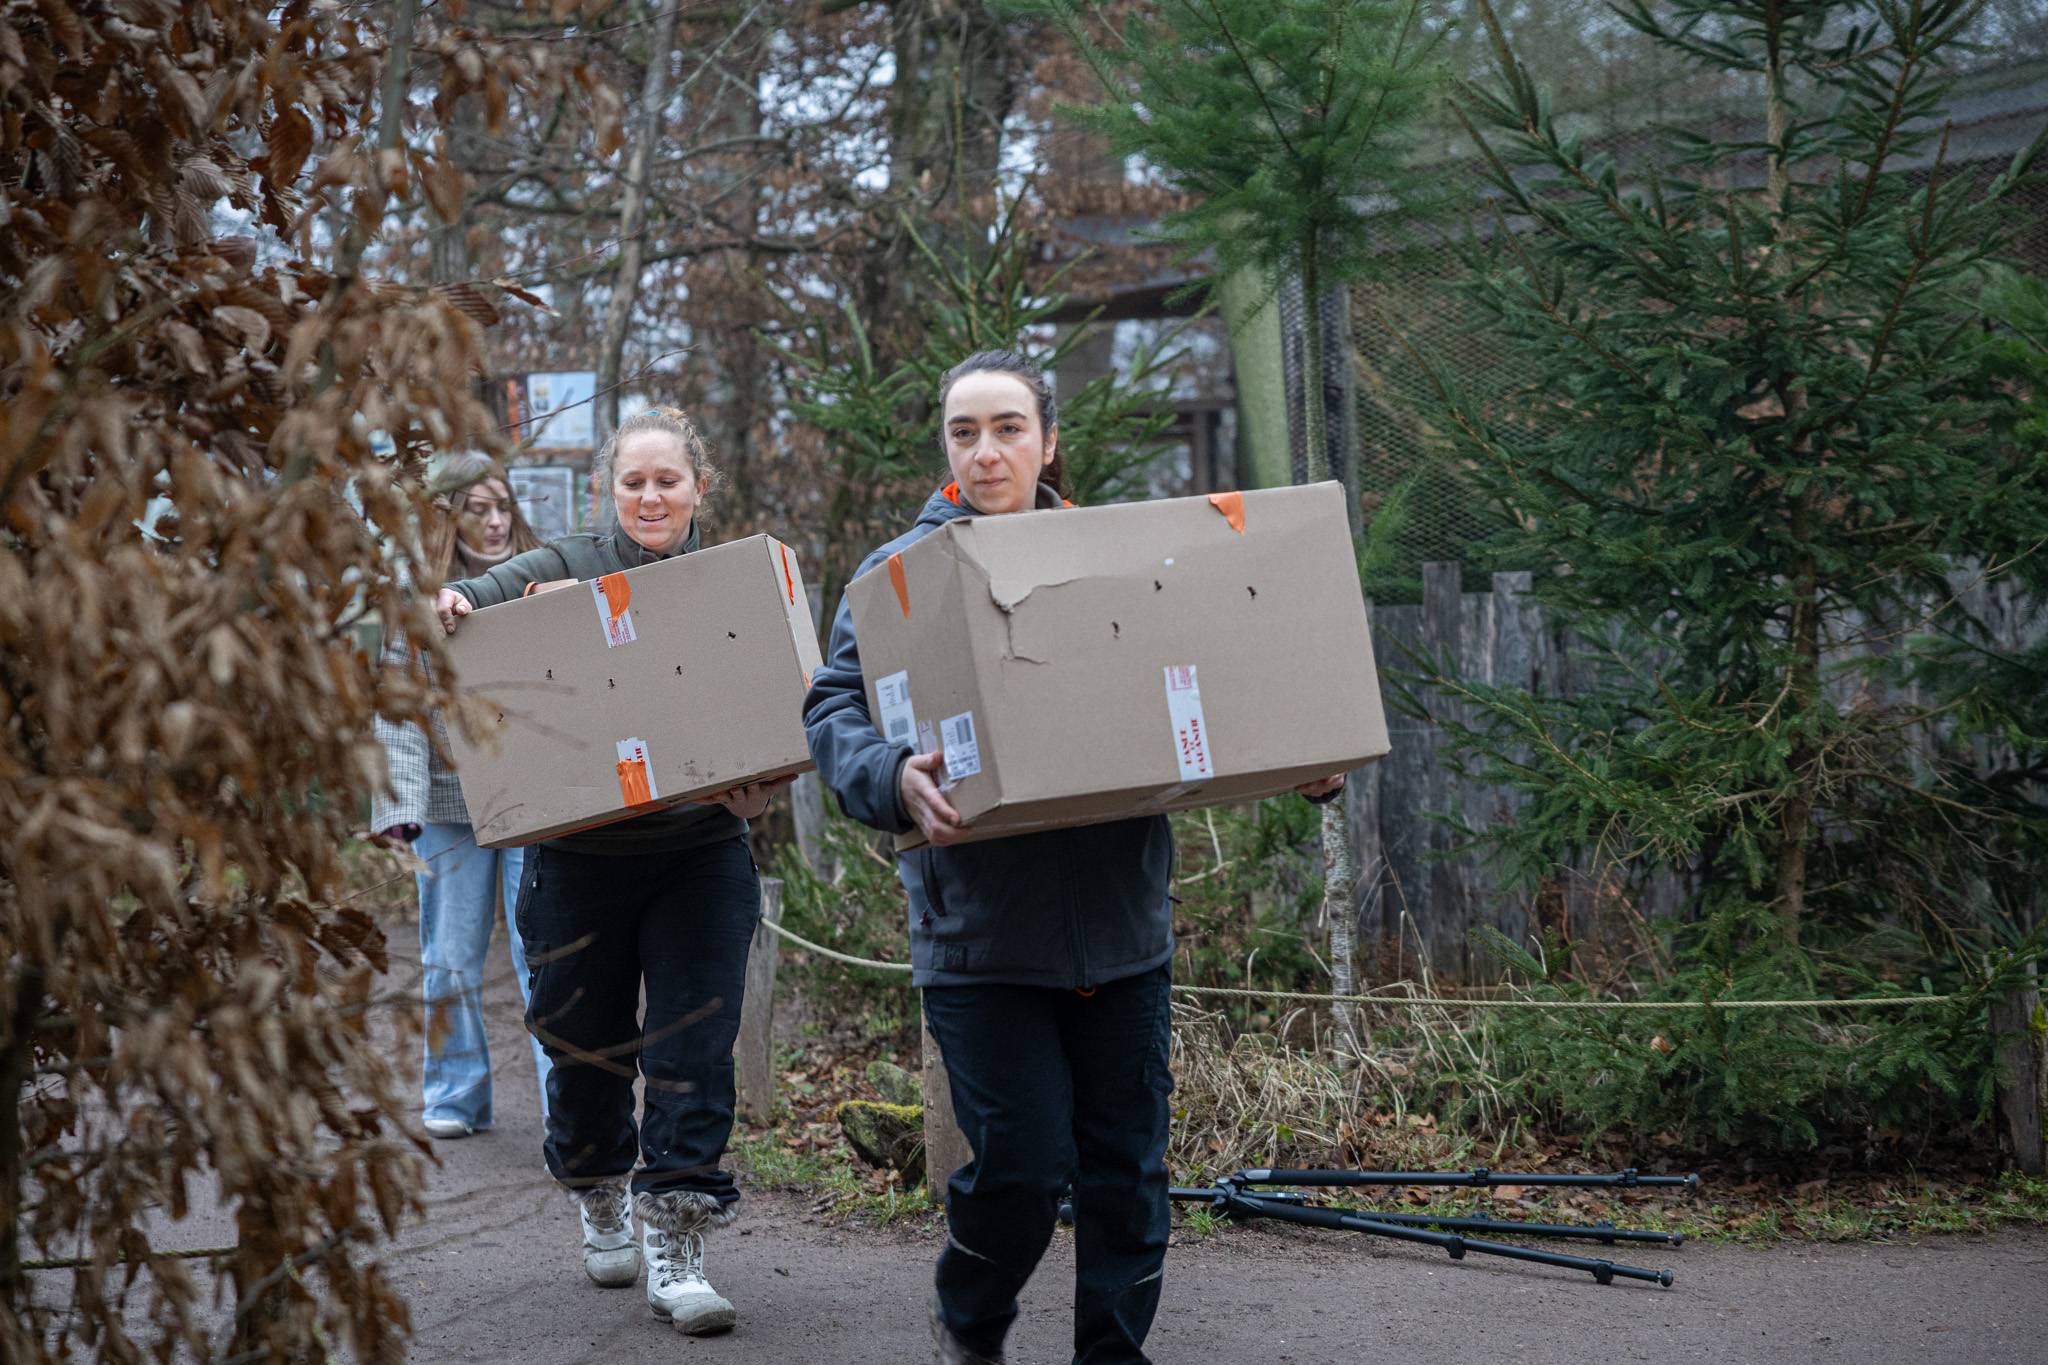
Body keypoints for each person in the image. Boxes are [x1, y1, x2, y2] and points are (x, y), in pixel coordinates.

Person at [803, 351, 1346, 1364]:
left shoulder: (1117, 554)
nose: (984, 450)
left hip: (1120, 924)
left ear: (1046, 442)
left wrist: (1300, 753)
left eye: (1007, 427)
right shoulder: (896, 582)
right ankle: (968, 1314)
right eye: (963, 431)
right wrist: (889, 777)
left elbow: (1209, 673)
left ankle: (1111, 1353)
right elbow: (834, 709)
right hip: (978, 937)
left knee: (1125, 1168)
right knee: (1017, 1160)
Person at [435, 407, 787, 1337]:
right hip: (578, 860)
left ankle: (677, 1233)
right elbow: (480, 596)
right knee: (582, 1048)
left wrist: (760, 789)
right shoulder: (565, 566)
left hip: (700, 854)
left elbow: (777, 707)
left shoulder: (730, 584)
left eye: (668, 480)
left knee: (693, 1049)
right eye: (633, 481)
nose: (650, 496)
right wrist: (458, 605)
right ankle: (597, 1183)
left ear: (699, 488)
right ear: (609, 490)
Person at [373, 452, 552, 1141]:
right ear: (447, 517)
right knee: (449, 955)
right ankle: (455, 1092)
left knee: (546, 952)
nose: (498, 519)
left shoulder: (542, 583)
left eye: (503, 504)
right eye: (478, 508)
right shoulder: (416, 601)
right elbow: (396, 707)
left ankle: (563, 1103)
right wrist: (399, 807)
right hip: (451, 805)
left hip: (535, 801)